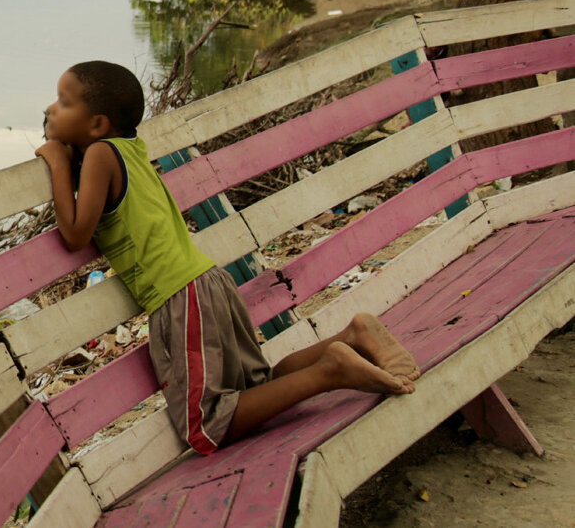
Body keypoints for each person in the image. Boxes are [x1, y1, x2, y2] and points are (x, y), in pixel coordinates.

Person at [35, 60, 420, 453]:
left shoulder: (99, 155)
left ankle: (332, 370)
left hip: (179, 297)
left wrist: (58, 163)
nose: (51, 109)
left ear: (98, 124)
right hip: (208, 283)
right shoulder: (127, 148)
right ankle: (352, 337)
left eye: (64, 102)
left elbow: (76, 234)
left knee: (207, 426)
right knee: (259, 388)